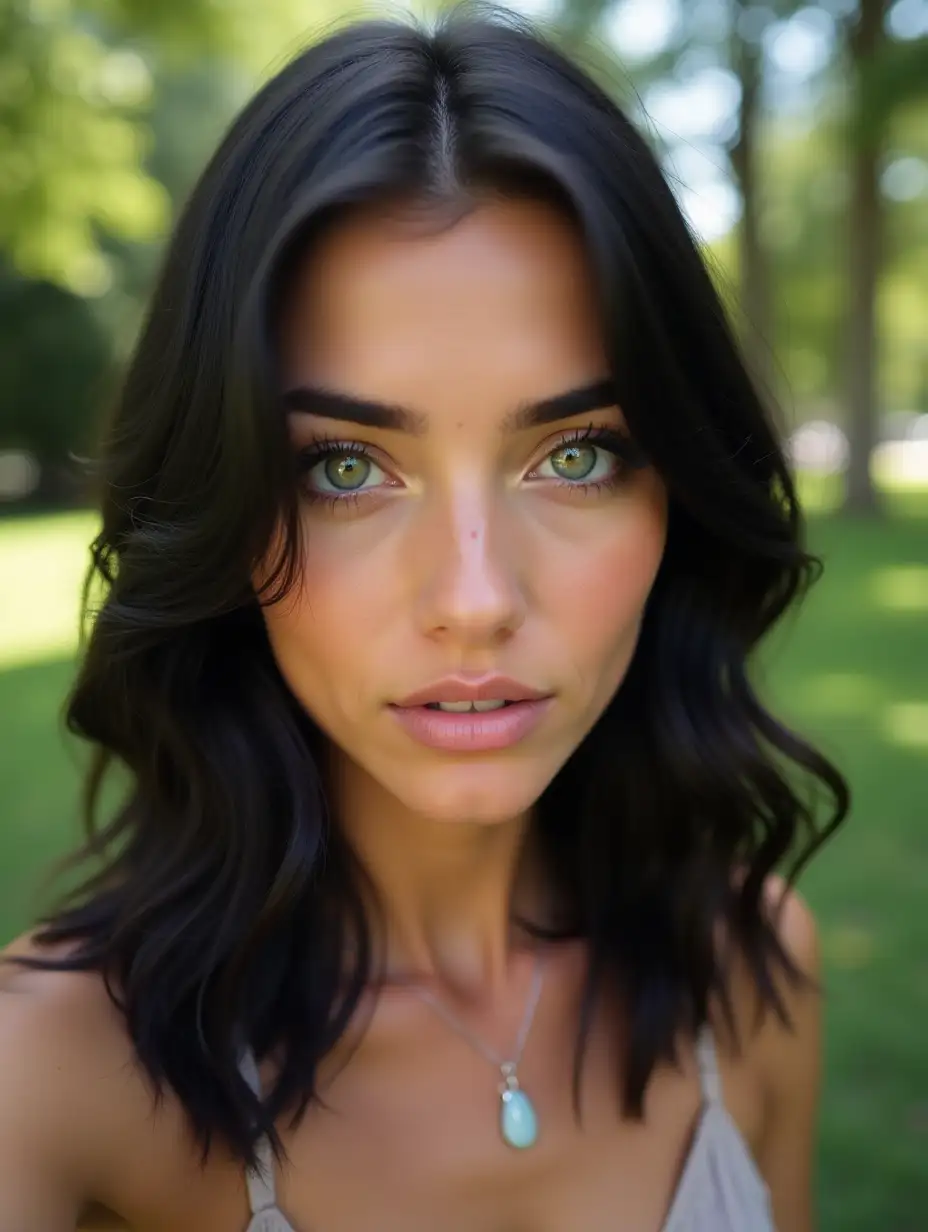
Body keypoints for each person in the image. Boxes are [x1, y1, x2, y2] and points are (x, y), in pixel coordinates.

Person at [0, 5, 849, 1230]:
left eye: (577, 455)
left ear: (679, 489)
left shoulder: (748, 962)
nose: (472, 601)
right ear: (225, 507)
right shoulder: (53, 1073)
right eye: (344, 467)